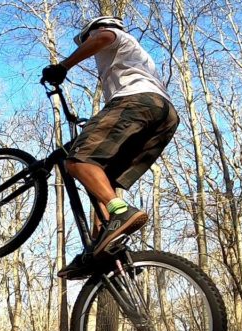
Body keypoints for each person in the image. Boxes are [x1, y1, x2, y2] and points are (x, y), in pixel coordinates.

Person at [41, 16, 179, 279]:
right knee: (103, 177)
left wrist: (63, 67)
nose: (90, 46)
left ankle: (121, 211)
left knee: (77, 160)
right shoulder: (136, 58)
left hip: (136, 101)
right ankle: (101, 245)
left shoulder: (111, 35)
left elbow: (104, 37)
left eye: (87, 39)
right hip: (164, 115)